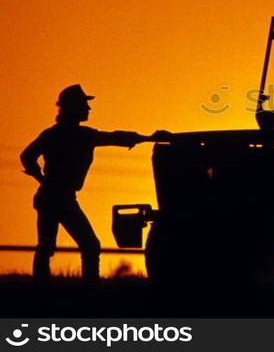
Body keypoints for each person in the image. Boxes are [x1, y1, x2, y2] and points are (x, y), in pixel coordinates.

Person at [20, 84, 171, 284]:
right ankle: (87, 287)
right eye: (84, 105)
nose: (88, 109)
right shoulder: (80, 135)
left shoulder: (61, 134)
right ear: (73, 107)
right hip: (58, 198)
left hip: (53, 196)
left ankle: (45, 288)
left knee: (48, 247)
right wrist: (149, 138)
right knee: (87, 245)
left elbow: (27, 156)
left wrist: (42, 180)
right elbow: (115, 137)